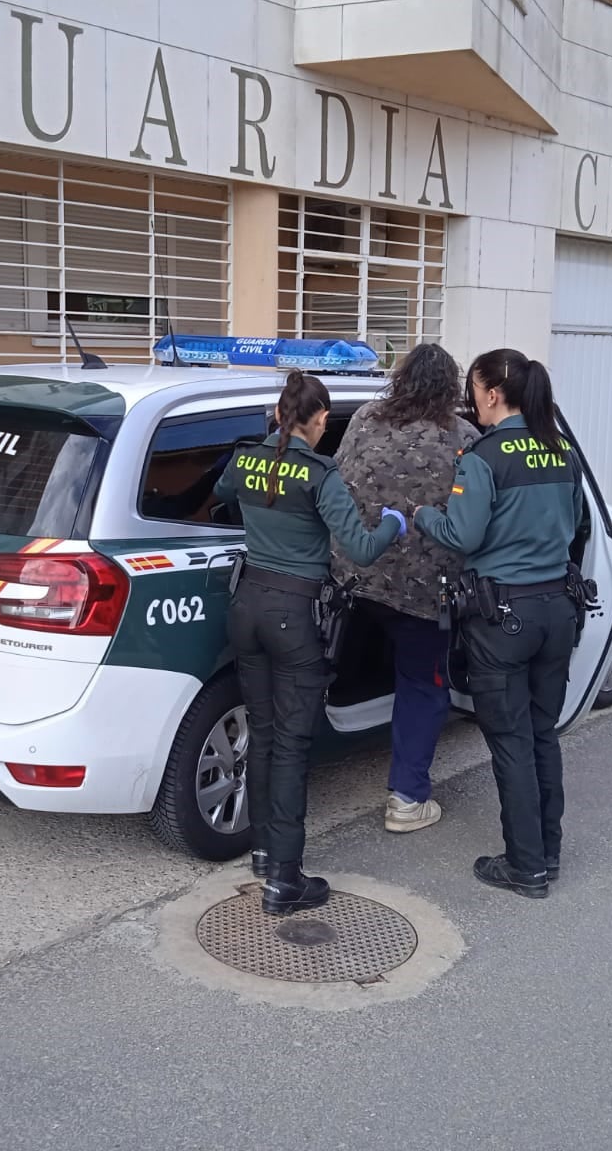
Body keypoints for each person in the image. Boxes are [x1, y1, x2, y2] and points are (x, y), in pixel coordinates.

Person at [213, 369, 406, 915]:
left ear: (277, 415)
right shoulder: (321, 476)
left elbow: (222, 495)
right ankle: (285, 878)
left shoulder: (247, 458)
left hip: (245, 606)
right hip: (294, 616)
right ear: (318, 419)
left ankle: (260, 851)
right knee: (294, 744)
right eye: (325, 421)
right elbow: (364, 549)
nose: (326, 429)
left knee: (264, 733)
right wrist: (395, 523)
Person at [413, 348, 589, 899]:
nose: (472, 401)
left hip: (502, 619)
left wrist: (423, 517)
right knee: (542, 735)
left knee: (510, 742)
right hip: (558, 611)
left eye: (474, 391)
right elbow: (580, 527)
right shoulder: (561, 451)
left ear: (492, 394)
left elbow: (462, 536)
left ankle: (524, 866)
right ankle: (548, 853)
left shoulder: (483, 458)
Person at [331, 343, 475, 834]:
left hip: (354, 576)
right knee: (421, 687)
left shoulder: (365, 418)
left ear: (401, 376)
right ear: (450, 386)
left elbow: (337, 481)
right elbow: (477, 521)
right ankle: (407, 800)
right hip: (423, 593)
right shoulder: (463, 437)